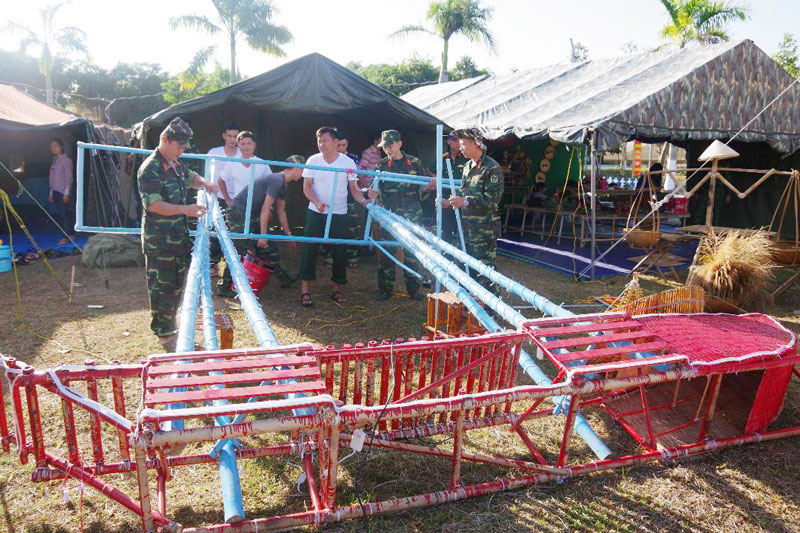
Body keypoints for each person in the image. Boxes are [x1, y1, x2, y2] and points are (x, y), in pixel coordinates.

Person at [138, 117, 218, 351]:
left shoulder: (175, 163)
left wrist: (205, 183)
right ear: (165, 140)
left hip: (178, 239)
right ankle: (164, 334)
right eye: (179, 146)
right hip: (160, 242)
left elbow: (191, 176)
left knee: (176, 286)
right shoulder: (150, 168)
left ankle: (172, 328)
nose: (182, 151)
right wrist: (186, 210)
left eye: (184, 147)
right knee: (162, 288)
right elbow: (153, 205)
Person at [299, 127, 374, 308]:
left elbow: (353, 189)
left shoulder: (348, 163)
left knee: (340, 250)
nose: (322, 144)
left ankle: (336, 289)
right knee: (309, 248)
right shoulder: (312, 160)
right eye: (319, 141)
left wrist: (365, 202)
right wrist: (317, 203)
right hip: (315, 211)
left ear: (334, 142)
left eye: (325, 140)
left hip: (339, 212)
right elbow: (306, 188)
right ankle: (305, 292)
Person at [217, 155, 305, 296]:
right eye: (303, 169)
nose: (304, 173)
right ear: (297, 168)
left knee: (268, 247)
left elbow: (281, 211)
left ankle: (282, 277)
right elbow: (266, 208)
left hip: (252, 213)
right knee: (239, 249)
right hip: (240, 211)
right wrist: (262, 236)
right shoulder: (277, 180)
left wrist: (289, 235)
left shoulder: (284, 185)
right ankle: (225, 286)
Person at [374, 130, 432, 301]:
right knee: (387, 253)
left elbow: (422, 188)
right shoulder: (382, 165)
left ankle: (413, 290)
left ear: (399, 144)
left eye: (390, 145)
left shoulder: (414, 163)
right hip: (389, 215)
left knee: (412, 253)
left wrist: (428, 188)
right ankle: (385, 290)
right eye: (384, 146)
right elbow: (376, 188)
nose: (387, 149)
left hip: (411, 214)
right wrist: (373, 195)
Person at [445, 128, 504, 294]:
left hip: (484, 230)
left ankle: (492, 310)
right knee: (463, 267)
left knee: (485, 271)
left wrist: (463, 201)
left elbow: (492, 200)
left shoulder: (492, 168)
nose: (460, 148)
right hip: (466, 227)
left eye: (463, 144)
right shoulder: (467, 166)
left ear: (475, 143)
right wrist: (450, 203)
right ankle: (470, 307)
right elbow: (465, 194)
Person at [207, 122, 241, 263]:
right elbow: (207, 176)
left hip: (238, 198)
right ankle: (212, 264)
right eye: (230, 136)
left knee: (235, 232)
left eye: (235, 136)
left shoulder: (243, 154)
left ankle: (233, 265)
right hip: (217, 197)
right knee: (215, 231)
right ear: (223, 136)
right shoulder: (213, 153)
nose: (233, 139)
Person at [218, 131, 272, 206]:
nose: (246, 146)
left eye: (249, 144)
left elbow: (271, 184)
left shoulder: (263, 164)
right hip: (238, 206)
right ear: (238, 145)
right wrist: (227, 199)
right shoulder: (233, 163)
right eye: (243, 144)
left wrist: (267, 205)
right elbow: (221, 180)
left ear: (254, 145)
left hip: (258, 206)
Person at [435, 132, 469, 244]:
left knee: (463, 233)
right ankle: (446, 259)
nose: (457, 143)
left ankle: (461, 259)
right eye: (454, 140)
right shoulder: (442, 158)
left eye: (459, 140)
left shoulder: (467, 159)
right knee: (445, 233)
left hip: (462, 200)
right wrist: (436, 179)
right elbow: (430, 170)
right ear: (448, 141)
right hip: (445, 200)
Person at [336, 131, 363, 268]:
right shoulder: (329, 157)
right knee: (332, 227)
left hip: (350, 197)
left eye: (343, 145)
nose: (341, 148)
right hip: (333, 199)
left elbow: (358, 176)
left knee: (352, 227)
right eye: (338, 145)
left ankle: (353, 257)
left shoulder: (353, 158)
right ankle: (330, 257)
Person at [48, 138, 74, 245]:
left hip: (63, 191)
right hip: (55, 190)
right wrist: (51, 192)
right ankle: (70, 234)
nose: (53, 148)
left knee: (64, 214)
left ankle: (66, 236)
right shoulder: (55, 160)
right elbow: (52, 177)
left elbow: (69, 178)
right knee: (63, 213)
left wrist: (66, 193)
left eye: (56, 146)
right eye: (52, 146)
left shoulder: (66, 160)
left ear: (61, 147)